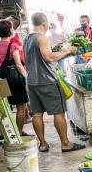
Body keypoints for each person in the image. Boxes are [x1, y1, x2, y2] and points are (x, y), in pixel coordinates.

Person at [24, 12, 84, 152]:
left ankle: (43, 144)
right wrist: (66, 50)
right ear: (44, 24)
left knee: (37, 113)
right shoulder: (42, 37)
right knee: (59, 112)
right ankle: (65, 143)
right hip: (47, 81)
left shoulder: (27, 38)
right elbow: (49, 57)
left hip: (32, 82)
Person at [0, 19, 28, 134]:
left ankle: (3, 133)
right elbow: (19, 65)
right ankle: (19, 132)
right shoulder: (13, 45)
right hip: (14, 80)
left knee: (4, 107)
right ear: (10, 30)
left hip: (1, 80)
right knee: (21, 107)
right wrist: (27, 77)